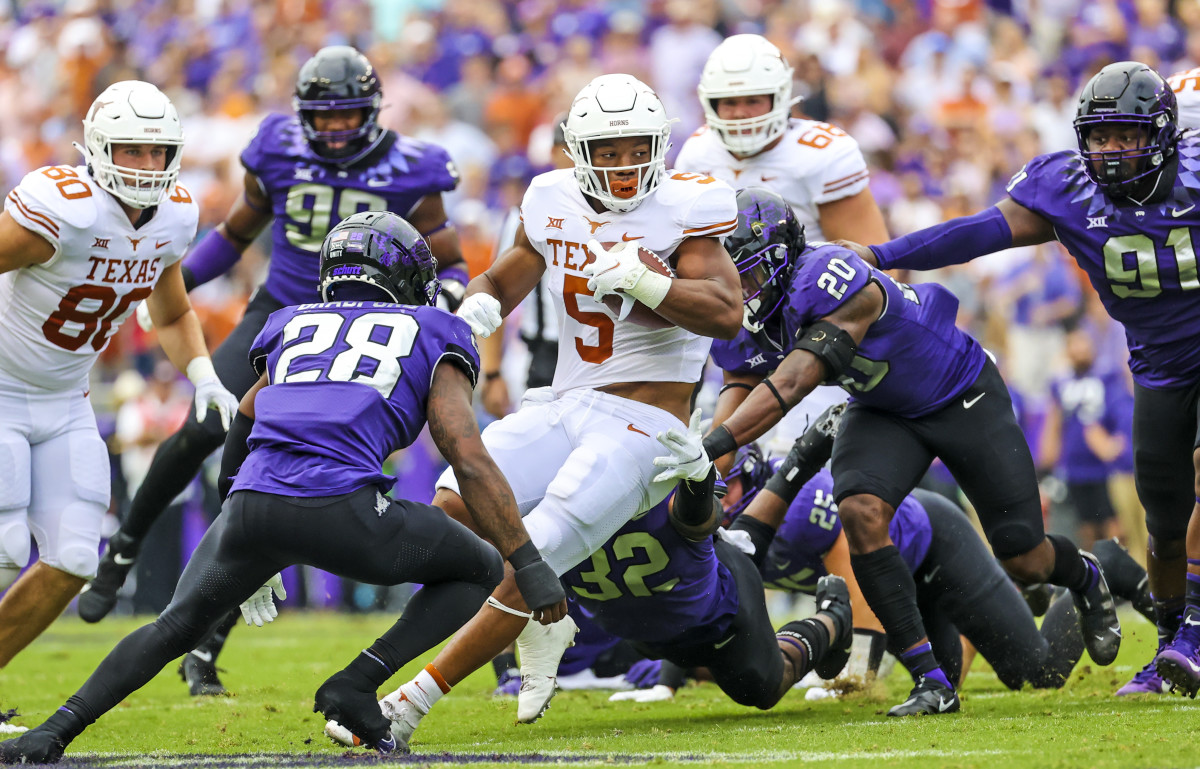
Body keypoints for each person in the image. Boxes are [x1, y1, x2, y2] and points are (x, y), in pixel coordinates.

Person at [0, 210, 566, 764]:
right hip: (346, 511)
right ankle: (357, 681)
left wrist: (231, 515)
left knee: (174, 625)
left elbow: (245, 417)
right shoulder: (437, 327)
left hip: (252, 506)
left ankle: (52, 731)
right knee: (482, 566)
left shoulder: (293, 322)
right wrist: (530, 564)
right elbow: (465, 455)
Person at [322, 72, 744, 751]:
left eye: (634, 146)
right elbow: (507, 272)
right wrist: (479, 310)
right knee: (457, 503)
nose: (622, 162)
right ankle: (546, 619)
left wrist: (650, 279)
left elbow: (729, 312)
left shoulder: (686, 206)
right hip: (566, 398)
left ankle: (411, 699)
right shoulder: (550, 196)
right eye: (605, 150)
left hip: (646, 423)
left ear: (659, 145)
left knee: (536, 552)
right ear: (577, 150)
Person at [78, 45, 469, 695]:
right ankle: (124, 549)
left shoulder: (411, 168)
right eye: (326, 117)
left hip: (356, 332)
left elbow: (448, 259)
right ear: (302, 115)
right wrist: (160, 285)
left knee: (274, 488)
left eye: (349, 117)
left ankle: (204, 648)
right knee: (209, 418)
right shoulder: (278, 151)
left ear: (372, 112)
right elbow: (234, 234)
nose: (337, 130)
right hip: (279, 313)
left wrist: (444, 305)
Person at [845, 61, 1200, 699]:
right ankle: (1174, 646)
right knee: (1165, 520)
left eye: (1128, 137)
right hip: (1160, 365)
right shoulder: (1066, 189)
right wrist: (883, 255)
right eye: (1101, 137)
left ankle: (1194, 638)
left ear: (1165, 135)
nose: (1112, 152)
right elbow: (977, 233)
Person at [701, 186, 1121, 716]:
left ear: (781, 257)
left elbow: (794, 380)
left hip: (959, 392)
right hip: (884, 409)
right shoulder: (746, 317)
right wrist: (709, 468)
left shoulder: (827, 275)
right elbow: (739, 383)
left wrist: (715, 442)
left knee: (1024, 555)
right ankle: (931, 682)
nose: (740, 288)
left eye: (748, 272)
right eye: (729, 273)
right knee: (859, 509)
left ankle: (1084, 573)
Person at [0, 80, 238, 671]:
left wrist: (204, 375)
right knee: (5, 550)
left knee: (76, 557)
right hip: (1, 387)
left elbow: (174, 310)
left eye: (158, 151)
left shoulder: (174, 216)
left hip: (66, 399)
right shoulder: (65, 208)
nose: (148, 164)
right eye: (132, 150)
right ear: (99, 147)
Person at [726, 412, 1154, 694]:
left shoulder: (797, 506)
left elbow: (856, 575)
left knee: (1039, 671)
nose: (721, 499)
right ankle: (1017, 590)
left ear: (752, 476)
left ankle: (1103, 563)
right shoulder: (717, 531)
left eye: (728, 486)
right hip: (901, 579)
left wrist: (855, 671)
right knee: (942, 680)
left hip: (934, 542)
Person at [675, 33, 891, 450]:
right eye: (729, 103)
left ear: (781, 97)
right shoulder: (698, 154)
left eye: (753, 100)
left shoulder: (821, 153)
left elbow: (874, 263)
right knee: (724, 460)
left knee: (801, 465)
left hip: (815, 325)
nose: (740, 114)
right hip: (738, 333)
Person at [1039, 327, 1127, 552]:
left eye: (1083, 344)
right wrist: (1048, 453)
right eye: (1074, 345)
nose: (1080, 350)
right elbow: (1055, 419)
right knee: (1086, 526)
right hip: (1075, 465)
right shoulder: (1061, 382)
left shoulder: (1107, 375)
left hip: (1104, 465)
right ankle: (1100, 576)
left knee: (1114, 524)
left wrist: (1116, 442)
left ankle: (1122, 572)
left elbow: (1120, 409)